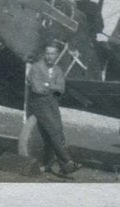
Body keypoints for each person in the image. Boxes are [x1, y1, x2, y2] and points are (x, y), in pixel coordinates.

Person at [26, 44, 81, 175]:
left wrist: (47, 86)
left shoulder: (58, 70)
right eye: (48, 53)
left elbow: (61, 89)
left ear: (56, 55)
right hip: (39, 104)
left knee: (58, 133)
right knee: (54, 131)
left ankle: (51, 166)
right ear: (44, 54)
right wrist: (53, 87)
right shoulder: (36, 68)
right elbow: (37, 89)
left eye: (53, 54)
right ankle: (68, 162)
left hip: (52, 103)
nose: (50, 56)